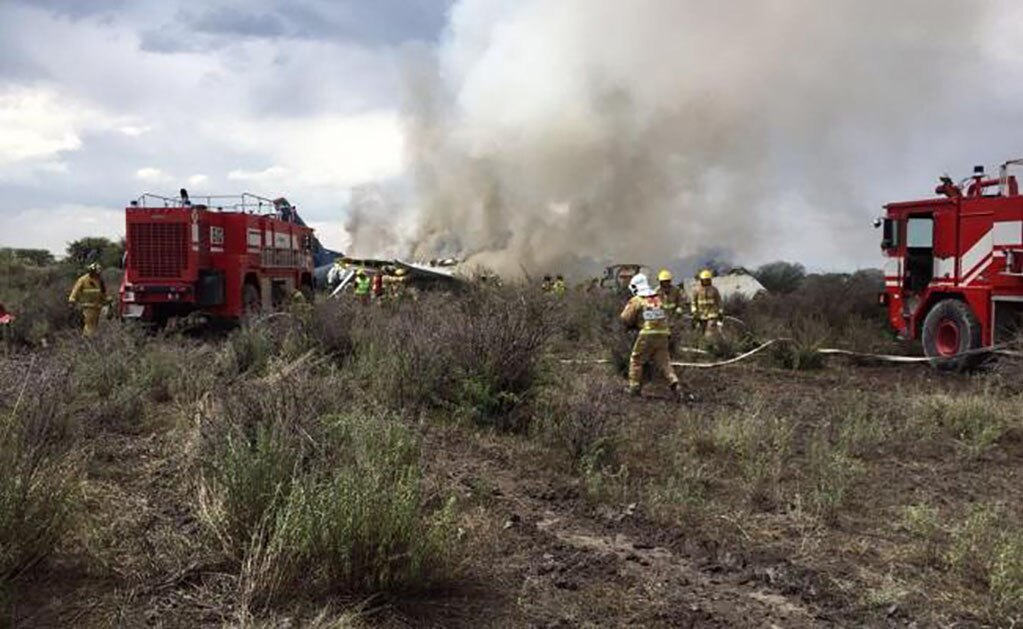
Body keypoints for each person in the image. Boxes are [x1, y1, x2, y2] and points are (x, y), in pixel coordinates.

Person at [620, 273, 681, 400]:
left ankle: (634, 388)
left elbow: (625, 318)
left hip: (647, 334)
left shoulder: (637, 300)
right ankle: (675, 383)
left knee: (636, 360)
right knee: (664, 362)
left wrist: (632, 325)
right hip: (663, 334)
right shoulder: (657, 299)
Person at [68, 262, 110, 336]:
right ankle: (87, 338)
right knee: (89, 324)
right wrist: (72, 300)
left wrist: (109, 300)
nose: (98, 274)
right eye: (96, 272)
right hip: (87, 306)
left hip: (98, 307)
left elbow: (103, 293)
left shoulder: (100, 281)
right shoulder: (83, 279)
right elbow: (75, 290)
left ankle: (92, 339)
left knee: (95, 325)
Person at [691, 269, 723, 338]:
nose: (706, 281)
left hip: (712, 314)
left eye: (707, 280)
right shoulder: (697, 290)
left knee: (709, 332)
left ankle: (709, 343)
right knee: (702, 332)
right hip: (701, 315)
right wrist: (694, 312)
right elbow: (694, 302)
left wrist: (720, 312)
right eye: (704, 280)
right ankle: (707, 345)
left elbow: (719, 301)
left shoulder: (714, 290)